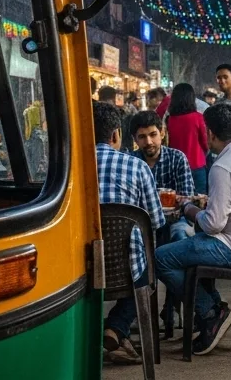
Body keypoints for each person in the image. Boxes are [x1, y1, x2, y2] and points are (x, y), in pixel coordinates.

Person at [157, 104, 231, 357]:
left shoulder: (223, 166)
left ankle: (210, 312)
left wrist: (188, 209)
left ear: (210, 133)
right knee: (191, 246)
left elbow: (213, 224)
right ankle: (211, 309)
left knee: (160, 258)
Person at [93, 102, 165, 365]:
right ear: (116, 135)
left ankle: (112, 332)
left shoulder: (72, 167)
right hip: (127, 267)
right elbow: (155, 220)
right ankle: (115, 329)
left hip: (81, 265)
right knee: (149, 271)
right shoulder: (137, 167)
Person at [131, 111, 194, 243]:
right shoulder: (131, 162)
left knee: (180, 235)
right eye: (142, 137)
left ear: (162, 133)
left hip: (175, 220)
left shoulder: (177, 158)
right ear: (135, 139)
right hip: (142, 222)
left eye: (153, 135)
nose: (148, 142)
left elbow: (187, 197)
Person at [165, 83, 210, 193]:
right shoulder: (198, 118)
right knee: (200, 199)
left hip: (176, 166)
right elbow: (206, 143)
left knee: (180, 198)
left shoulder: (170, 119)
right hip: (197, 164)